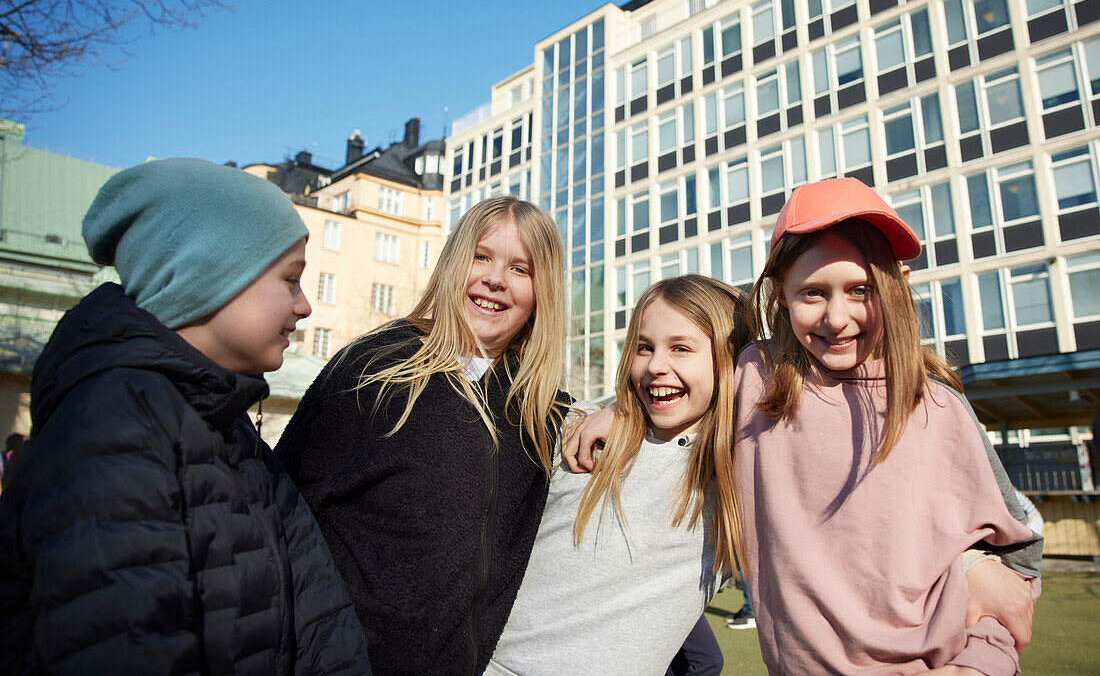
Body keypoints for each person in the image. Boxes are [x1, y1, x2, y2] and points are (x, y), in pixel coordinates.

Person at [565, 178, 1044, 673]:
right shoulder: (756, 380)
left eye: (861, 289)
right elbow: (678, 388)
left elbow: (1017, 553)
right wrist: (621, 409)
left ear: (896, 285)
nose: (837, 318)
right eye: (813, 292)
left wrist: (980, 658)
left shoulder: (937, 403)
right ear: (781, 294)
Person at [0, 158, 370, 674]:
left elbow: (317, 614)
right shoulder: (113, 431)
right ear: (206, 276)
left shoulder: (225, 424)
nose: (305, 306)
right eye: (289, 280)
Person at [275, 196, 571, 676]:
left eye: (521, 268)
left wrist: (613, 413)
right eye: (481, 256)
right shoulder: (374, 366)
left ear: (543, 291)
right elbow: (283, 504)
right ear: (454, 262)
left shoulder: (540, 412)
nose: (495, 278)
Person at [485, 275, 748, 676]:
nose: (656, 365)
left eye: (680, 348)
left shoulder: (741, 474)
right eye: (644, 347)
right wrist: (616, 410)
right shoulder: (576, 431)